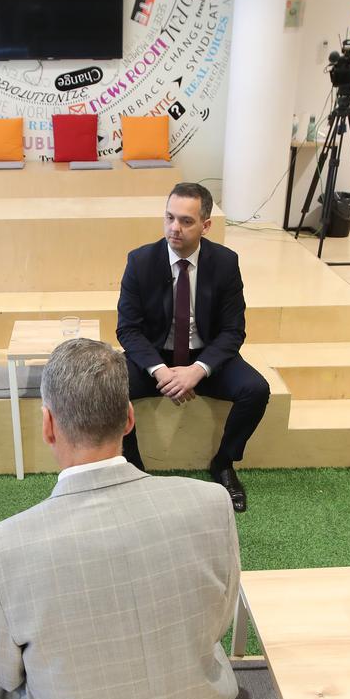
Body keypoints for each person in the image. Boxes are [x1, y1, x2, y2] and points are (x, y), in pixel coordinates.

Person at [0, 338, 241, 699]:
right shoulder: (211, 504)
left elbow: (8, 675)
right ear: (129, 418)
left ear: (48, 425)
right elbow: (218, 623)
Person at [116, 182, 269, 512]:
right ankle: (134, 469)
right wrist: (160, 371)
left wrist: (197, 371)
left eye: (186, 221)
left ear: (206, 225)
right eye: (169, 217)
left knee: (256, 389)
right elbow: (128, 330)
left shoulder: (225, 262)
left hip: (205, 356)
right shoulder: (140, 261)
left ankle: (224, 463)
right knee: (111, 387)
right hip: (155, 357)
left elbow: (233, 331)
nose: (175, 227)